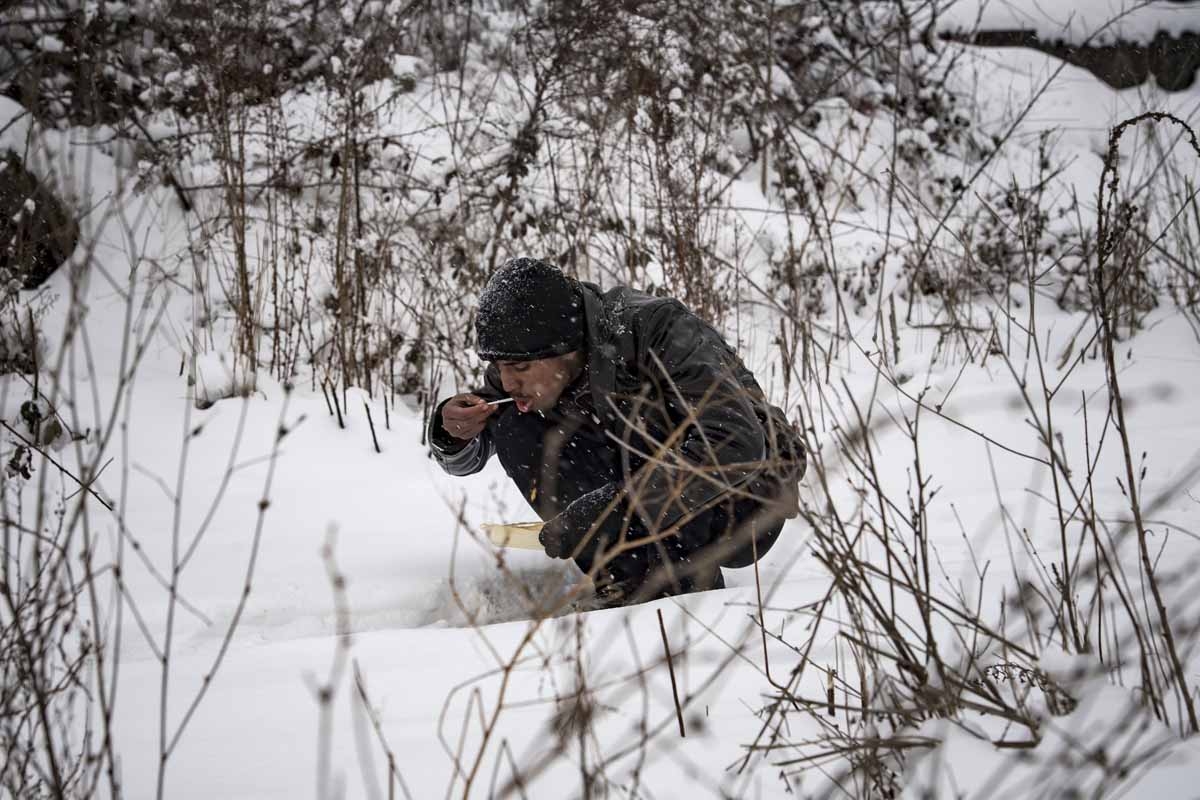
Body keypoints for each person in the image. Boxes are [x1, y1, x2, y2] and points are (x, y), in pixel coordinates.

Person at [428, 257, 806, 607]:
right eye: (498, 366)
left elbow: (735, 444)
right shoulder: (522, 368)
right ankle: (628, 580)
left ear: (564, 347)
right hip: (643, 491)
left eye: (520, 368)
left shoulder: (658, 329)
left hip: (747, 492)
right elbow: (472, 454)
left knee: (641, 427)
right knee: (514, 423)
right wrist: (453, 433)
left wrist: (619, 508)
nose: (506, 382)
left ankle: (678, 602)